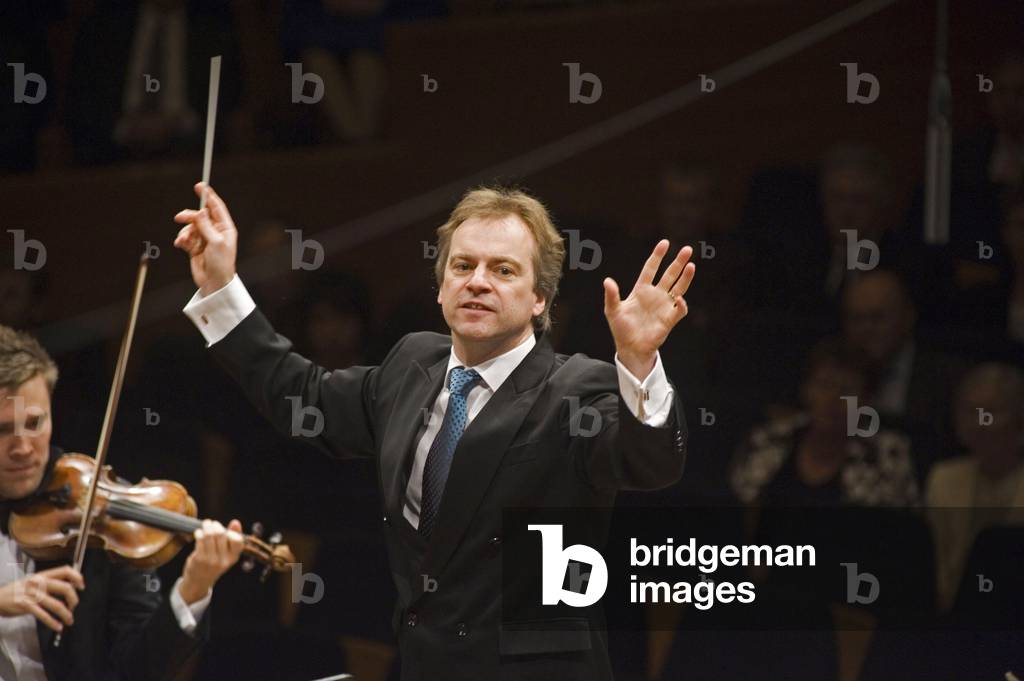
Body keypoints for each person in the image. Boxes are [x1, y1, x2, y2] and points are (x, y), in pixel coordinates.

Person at [173, 182, 692, 680]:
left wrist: (639, 362)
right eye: (463, 266)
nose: (478, 281)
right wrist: (221, 287)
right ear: (442, 286)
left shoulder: (576, 389)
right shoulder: (411, 365)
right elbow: (302, 395)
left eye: (503, 269)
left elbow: (650, 464)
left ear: (540, 298)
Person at [0, 324, 244, 681]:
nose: (23, 448)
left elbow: (139, 669)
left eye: (35, 423)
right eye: (2, 430)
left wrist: (192, 589)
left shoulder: (99, 512)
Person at [925, 363, 1024, 612]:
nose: (978, 422)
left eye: (990, 412)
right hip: (951, 618)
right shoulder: (944, 479)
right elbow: (935, 570)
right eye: (969, 411)